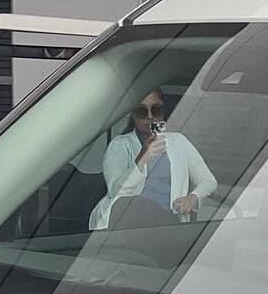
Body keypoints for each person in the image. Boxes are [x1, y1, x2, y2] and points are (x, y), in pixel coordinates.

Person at [89, 88, 217, 229]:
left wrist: (193, 198)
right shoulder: (120, 145)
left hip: (166, 223)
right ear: (133, 114)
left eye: (156, 110)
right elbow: (117, 193)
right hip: (125, 223)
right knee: (139, 206)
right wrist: (142, 158)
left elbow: (208, 181)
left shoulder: (178, 141)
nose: (150, 116)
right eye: (141, 112)